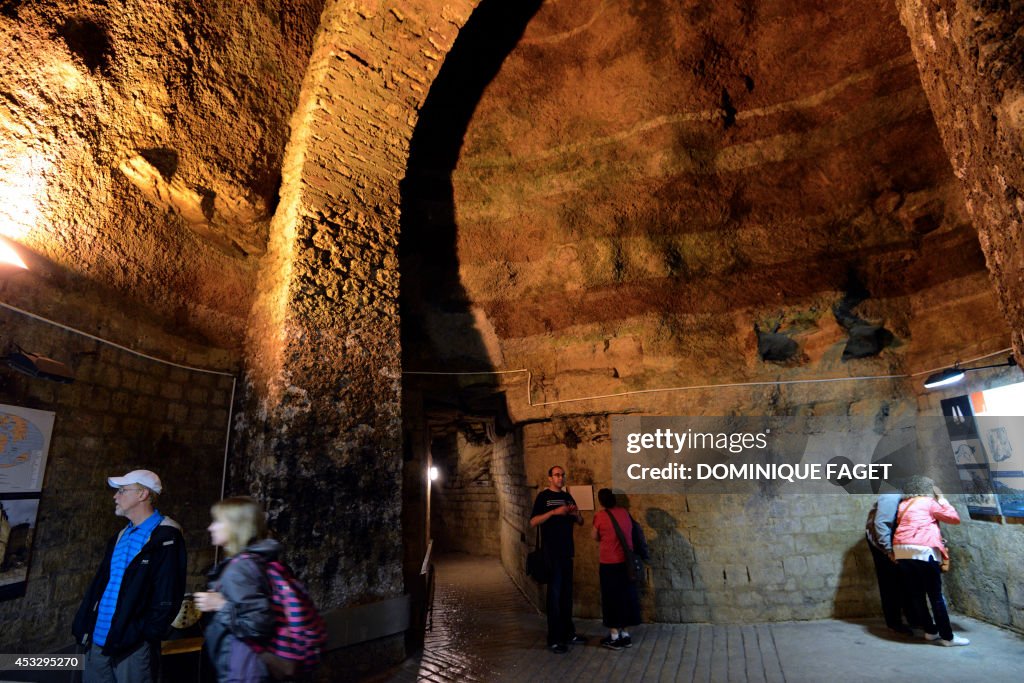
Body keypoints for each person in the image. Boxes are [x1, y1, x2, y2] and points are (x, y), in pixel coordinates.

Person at [73, 469, 187, 683]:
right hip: (98, 638)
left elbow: (167, 591)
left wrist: (145, 634)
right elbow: (102, 585)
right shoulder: (120, 536)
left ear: (142, 494)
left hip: (132, 644)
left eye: (122, 491)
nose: (115, 496)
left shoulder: (166, 538)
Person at [195, 496, 280, 682]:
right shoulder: (251, 561)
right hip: (243, 667)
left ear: (236, 526)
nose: (211, 527)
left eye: (218, 521)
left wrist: (220, 605)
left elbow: (257, 623)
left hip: (243, 670)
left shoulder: (240, 568)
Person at [892, 475, 968, 646]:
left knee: (917, 595)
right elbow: (954, 518)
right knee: (936, 596)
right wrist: (942, 499)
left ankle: (930, 631)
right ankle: (948, 637)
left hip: (902, 551)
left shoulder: (904, 505)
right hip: (923, 551)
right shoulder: (928, 502)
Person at [530, 465, 585, 654]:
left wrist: (576, 514)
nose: (560, 478)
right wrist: (554, 513)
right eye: (556, 475)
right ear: (549, 478)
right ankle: (554, 639)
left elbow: (581, 521)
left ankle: (569, 633)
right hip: (551, 553)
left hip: (567, 552)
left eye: (562, 475)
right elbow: (533, 521)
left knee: (566, 595)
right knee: (554, 596)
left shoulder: (567, 496)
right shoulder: (543, 498)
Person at [591, 488, 641, 651]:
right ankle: (625, 635)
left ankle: (614, 636)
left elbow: (595, 536)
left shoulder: (600, 516)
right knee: (626, 597)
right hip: (626, 563)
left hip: (609, 563)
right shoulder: (625, 513)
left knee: (611, 598)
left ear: (601, 501)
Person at [865, 491, 912, 635]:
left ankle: (914, 618)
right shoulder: (892, 495)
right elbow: (881, 524)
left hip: (899, 539)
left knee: (906, 579)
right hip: (883, 542)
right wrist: (888, 551)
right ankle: (894, 622)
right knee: (890, 582)